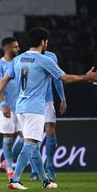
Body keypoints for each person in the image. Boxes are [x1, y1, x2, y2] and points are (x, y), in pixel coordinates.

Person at [0, 27, 97, 190]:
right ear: (43, 42)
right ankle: (14, 179)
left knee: (32, 144)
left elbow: (3, 80)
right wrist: (86, 77)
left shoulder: (19, 59)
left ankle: (45, 180)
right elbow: (65, 79)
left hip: (20, 107)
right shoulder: (45, 60)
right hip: (34, 108)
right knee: (30, 143)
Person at [29, 50, 67, 180]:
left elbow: (58, 78)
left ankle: (49, 164)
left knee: (50, 132)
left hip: (47, 100)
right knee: (33, 136)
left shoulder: (51, 56)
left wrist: (62, 98)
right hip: (31, 101)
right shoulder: (27, 57)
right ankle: (35, 169)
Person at [0, 37, 22, 180]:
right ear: (8, 48)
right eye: (16, 47)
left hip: (22, 106)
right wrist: (3, 104)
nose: (18, 49)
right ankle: (10, 168)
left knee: (26, 138)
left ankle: (8, 160)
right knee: (8, 136)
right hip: (6, 106)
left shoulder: (20, 62)